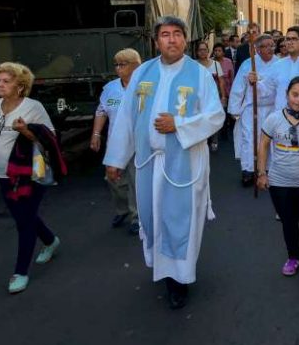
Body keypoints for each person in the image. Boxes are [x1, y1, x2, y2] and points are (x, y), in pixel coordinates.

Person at [103, 16, 225, 310]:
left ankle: (180, 279)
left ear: (185, 39)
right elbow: (127, 118)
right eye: (165, 34)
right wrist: (116, 159)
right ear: (156, 41)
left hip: (184, 164)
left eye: (177, 34)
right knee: (153, 217)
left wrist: (179, 125)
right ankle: (163, 269)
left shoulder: (198, 74)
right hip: (149, 164)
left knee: (179, 221)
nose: (172, 39)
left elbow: (215, 116)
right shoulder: (143, 72)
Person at [0, 62, 66, 294]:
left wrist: (25, 131)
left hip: (31, 174)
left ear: (20, 86)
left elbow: (50, 138)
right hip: (4, 174)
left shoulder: (33, 107)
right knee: (24, 217)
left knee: (24, 222)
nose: (0, 84)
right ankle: (50, 241)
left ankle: (20, 272)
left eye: (6, 81)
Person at [257, 76, 299, 276]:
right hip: (279, 181)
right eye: (295, 94)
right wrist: (262, 173)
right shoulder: (273, 119)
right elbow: (263, 145)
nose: (298, 100)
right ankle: (293, 257)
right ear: (287, 94)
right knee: (288, 221)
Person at [90, 48, 142, 234]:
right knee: (113, 179)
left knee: (136, 180)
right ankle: (122, 210)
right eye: (116, 65)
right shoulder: (110, 88)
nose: (118, 68)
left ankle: (137, 216)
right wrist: (96, 134)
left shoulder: (145, 87)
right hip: (115, 142)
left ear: (135, 66)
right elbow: (101, 111)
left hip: (138, 143)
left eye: (123, 64)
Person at [249, 26, 299, 125]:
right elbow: (266, 90)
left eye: (294, 39)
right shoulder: (277, 66)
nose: (290, 42)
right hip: (281, 122)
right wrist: (255, 83)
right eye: (287, 39)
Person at [229, 34, 278, 186]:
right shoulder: (248, 64)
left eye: (272, 45)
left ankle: (267, 169)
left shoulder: (279, 64)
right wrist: (234, 109)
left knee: (269, 139)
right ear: (257, 49)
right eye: (265, 46)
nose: (270, 49)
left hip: (272, 109)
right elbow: (238, 87)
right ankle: (248, 170)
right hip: (251, 108)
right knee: (249, 139)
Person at [196, 41, 228, 152]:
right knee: (200, 119)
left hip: (213, 97)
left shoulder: (215, 64)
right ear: (197, 52)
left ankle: (214, 141)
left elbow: (221, 81)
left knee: (213, 118)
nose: (202, 52)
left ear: (208, 51)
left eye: (204, 49)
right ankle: (202, 140)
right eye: (200, 50)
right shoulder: (194, 65)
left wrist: (223, 96)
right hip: (198, 98)